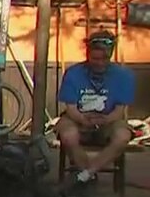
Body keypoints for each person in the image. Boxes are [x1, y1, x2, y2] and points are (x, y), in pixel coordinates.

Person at [56, 30, 135, 186]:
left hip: (109, 119)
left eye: (104, 59)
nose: (99, 63)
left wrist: (105, 120)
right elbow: (70, 108)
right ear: (87, 54)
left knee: (123, 136)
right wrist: (83, 119)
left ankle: (86, 174)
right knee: (68, 134)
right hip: (77, 118)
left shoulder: (124, 76)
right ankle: (87, 176)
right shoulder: (73, 73)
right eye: (95, 58)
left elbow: (119, 111)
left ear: (111, 55)